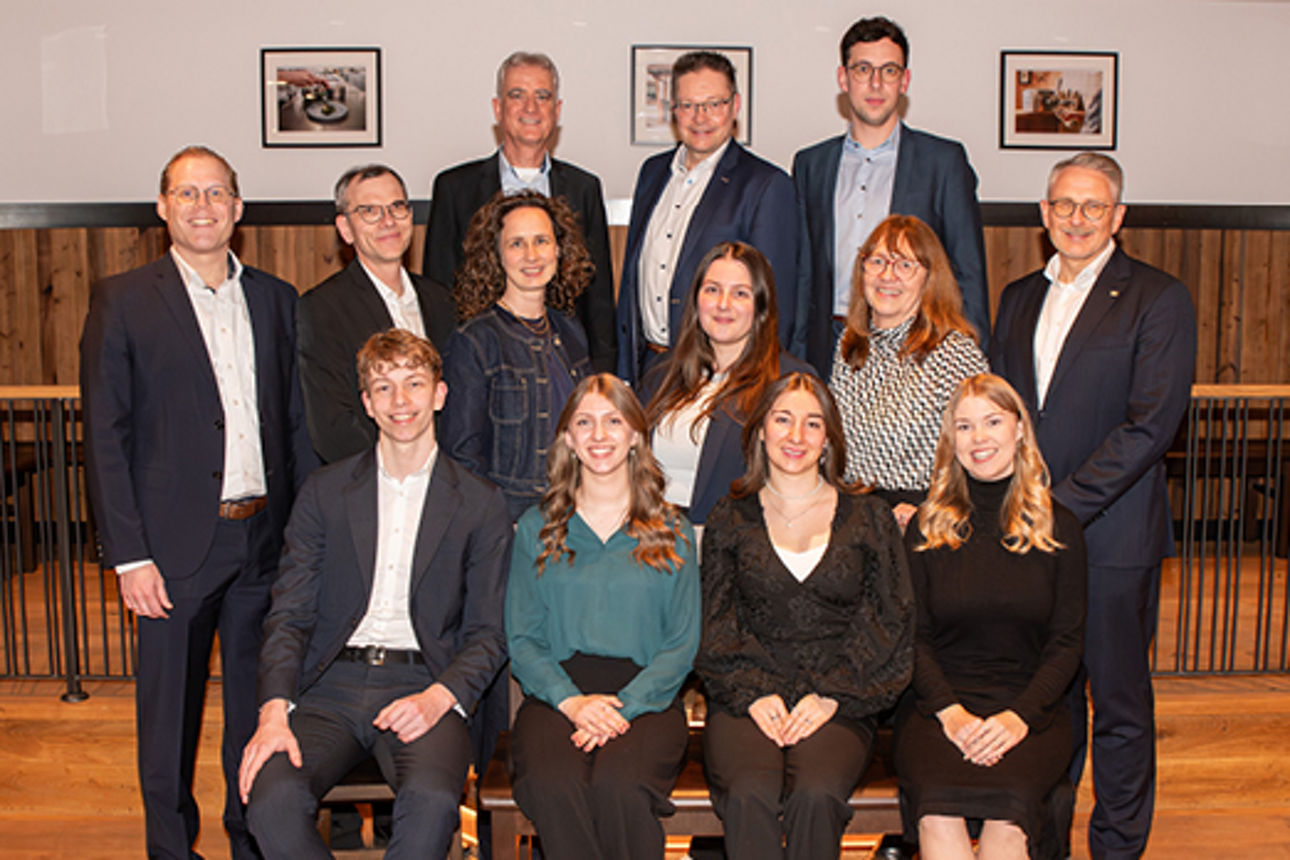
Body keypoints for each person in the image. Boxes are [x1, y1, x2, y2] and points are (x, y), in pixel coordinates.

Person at [79, 145, 317, 859]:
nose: (202, 206)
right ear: (163, 208)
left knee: (255, 712)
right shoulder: (123, 299)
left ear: (238, 208)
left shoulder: (276, 299)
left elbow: (295, 422)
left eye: (216, 193)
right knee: (169, 721)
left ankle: (251, 841)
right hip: (172, 549)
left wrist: (302, 539)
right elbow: (106, 434)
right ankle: (172, 850)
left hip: (263, 542)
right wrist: (130, 556)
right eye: (187, 193)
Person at [990, 152, 1196, 860]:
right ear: (1044, 213)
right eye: (1064, 205)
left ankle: (1115, 848)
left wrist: (1059, 503)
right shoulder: (1018, 296)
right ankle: (1046, 845)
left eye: (1093, 206)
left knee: (1118, 708)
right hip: (1029, 539)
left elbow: (1151, 425)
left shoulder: (1158, 297)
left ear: (1118, 216)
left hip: (1112, 538)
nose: (1077, 219)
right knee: (1045, 704)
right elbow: (1005, 413)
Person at [238, 329, 512, 858]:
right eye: (384, 387)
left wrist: (439, 698)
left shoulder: (480, 504)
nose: (400, 400)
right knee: (271, 800)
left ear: (440, 394)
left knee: (432, 802)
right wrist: (273, 712)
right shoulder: (325, 491)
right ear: (367, 403)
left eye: (414, 383)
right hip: (328, 685)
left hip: (424, 680)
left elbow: (489, 632)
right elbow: (289, 614)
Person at [696, 371, 914, 859]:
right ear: (760, 430)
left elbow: (889, 620)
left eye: (813, 423)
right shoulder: (729, 516)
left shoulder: (869, 517)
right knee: (749, 793)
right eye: (783, 419)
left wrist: (833, 695)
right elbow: (716, 621)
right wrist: (754, 693)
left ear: (829, 438)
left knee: (815, 795)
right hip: (747, 695)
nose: (796, 435)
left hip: (842, 696)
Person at [506, 373, 700, 860]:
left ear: (635, 434)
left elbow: (682, 644)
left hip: (648, 696)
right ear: (568, 438)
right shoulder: (537, 527)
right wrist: (573, 703)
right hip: (557, 695)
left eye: (613, 421)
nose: (599, 435)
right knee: (553, 785)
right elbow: (523, 639)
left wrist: (624, 707)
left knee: (621, 788)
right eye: (584, 422)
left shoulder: (673, 529)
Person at [896, 373, 1086, 860]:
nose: (979, 438)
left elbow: (1067, 644)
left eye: (993, 422)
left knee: (1008, 817)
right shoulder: (926, 527)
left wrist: (1019, 718)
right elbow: (912, 639)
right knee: (938, 813)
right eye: (964, 426)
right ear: (951, 440)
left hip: (1030, 711)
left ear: (1019, 429)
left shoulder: (1060, 527)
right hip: (938, 709)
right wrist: (952, 715)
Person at [793, 15, 989, 376]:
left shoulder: (943, 162)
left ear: (905, 80)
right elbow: (804, 275)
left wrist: (970, 365)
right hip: (828, 342)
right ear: (843, 78)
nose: (876, 83)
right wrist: (796, 355)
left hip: (917, 343)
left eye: (889, 71)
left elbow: (969, 272)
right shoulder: (811, 165)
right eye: (863, 69)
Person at [424, 51, 616, 372]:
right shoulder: (455, 189)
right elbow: (439, 292)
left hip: (565, 364)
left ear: (556, 111)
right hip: (482, 365)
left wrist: (603, 375)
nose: (531, 107)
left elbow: (598, 300)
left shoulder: (584, 188)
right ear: (498, 108)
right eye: (517, 95)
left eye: (542, 96)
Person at [616, 50, 797, 385]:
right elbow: (631, 279)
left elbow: (774, 307)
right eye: (688, 105)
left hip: (721, 376)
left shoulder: (766, 185)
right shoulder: (652, 173)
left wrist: (750, 389)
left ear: (735, 106)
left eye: (714, 104)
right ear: (673, 110)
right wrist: (625, 372)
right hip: (649, 368)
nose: (700, 117)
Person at [440, 189, 593, 520]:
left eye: (541, 241)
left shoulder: (569, 330)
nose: (532, 255)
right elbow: (463, 457)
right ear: (496, 255)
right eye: (516, 244)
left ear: (558, 248)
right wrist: (492, 524)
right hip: (511, 519)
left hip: (577, 508)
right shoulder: (475, 340)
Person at [828, 214, 987, 531]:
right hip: (852, 516)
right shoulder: (850, 344)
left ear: (930, 277)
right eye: (877, 262)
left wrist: (930, 511)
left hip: (920, 523)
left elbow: (981, 454)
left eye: (904, 265)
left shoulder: (954, 353)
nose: (887, 276)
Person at [641, 241, 813, 526]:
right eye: (712, 289)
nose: (723, 304)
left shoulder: (789, 383)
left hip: (732, 541)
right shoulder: (661, 373)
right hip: (652, 536)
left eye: (740, 293)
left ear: (761, 305)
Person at [299, 164, 457, 463]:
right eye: (370, 211)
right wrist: (399, 474)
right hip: (370, 479)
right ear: (346, 229)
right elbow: (333, 426)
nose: (388, 221)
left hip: (445, 476)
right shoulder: (322, 308)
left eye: (397, 207)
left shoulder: (442, 299)